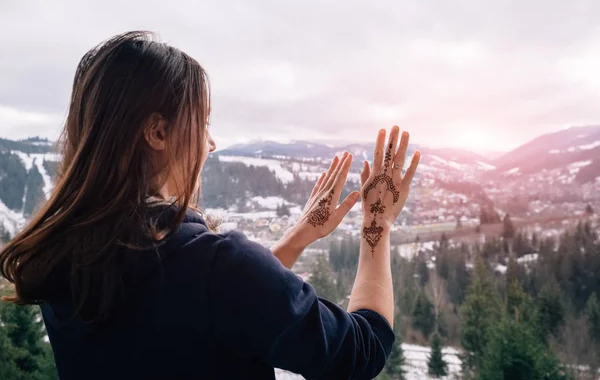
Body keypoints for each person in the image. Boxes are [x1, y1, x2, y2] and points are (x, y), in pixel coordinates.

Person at [0, 31, 420, 380]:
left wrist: (296, 239)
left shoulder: (68, 252)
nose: (211, 143)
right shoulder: (213, 266)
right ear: (158, 131)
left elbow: (189, 311)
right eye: (202, 122)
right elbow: (360, 351)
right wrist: (377, 225)